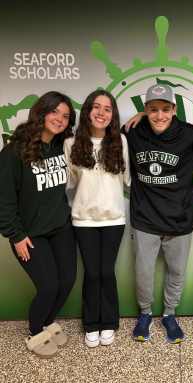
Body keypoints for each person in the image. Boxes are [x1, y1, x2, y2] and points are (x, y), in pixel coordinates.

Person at [124, 83, 193, 344]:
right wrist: (132, 120)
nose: (160, 115)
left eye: (165, 109)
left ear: (174, 109)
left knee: (176, 271)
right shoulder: (132, 132)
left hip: (180, 218)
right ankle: (145, 313)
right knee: (144, 272)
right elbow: (100, 135)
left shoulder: (190, 134)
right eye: (153, 109)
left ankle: (170, 314)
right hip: (145, 218)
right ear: (145, 110)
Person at [0, 91, 77, 358]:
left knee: (67, 280)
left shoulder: (63, 145)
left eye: (65, 116)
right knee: (48, 286)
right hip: (30, 235)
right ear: (41, 112)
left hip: (61, 228)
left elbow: (101, 131)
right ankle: (35, 331)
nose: (59, 119)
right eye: (54, 111)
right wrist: (16, 235)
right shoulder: (15, 150)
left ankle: (47, 321)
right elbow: (4, 199)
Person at [64, 90, 130, 348]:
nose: (101, 113)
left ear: (113, 114)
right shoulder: (70, 143)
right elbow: (69, 183)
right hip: (83, 220)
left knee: (106, 271)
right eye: (96, 107)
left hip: (113, 219)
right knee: (91, 273)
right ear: (87, 111)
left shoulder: (120, 141)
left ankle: (109, 323)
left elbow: (126, 179)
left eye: (107, 108)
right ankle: (91, 324)